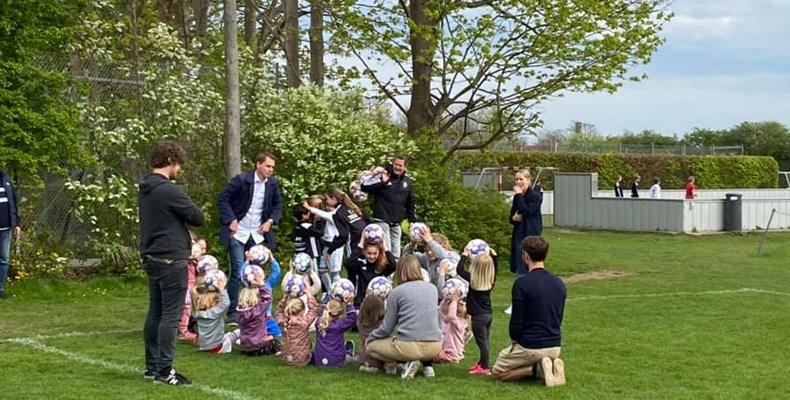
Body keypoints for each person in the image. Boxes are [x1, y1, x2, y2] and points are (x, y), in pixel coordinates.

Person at [138, 141, 204, 385]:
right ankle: (165, 370)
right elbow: (197, 217)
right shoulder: (168, 190)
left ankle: (151, 367)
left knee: (155, 311)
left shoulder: (145, 188)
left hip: (152, 255)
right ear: (169, 160)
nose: (179, 169)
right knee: (171, 315)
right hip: (171, 258)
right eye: (178, 164)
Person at [492, 236, 567, 387]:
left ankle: (536, 369)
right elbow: (558, 317)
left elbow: (517, 320)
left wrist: (515, 339)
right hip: (554, 344)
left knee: (498, 373)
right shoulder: (559, 283)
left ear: (526, 255)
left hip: (530, 345)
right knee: (530, 357)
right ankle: (549, 365)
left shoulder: (522, 284)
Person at [218, 153, 282, 324]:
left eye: (272, 167)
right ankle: (233, 312)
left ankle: (256, 309)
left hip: (258, 233)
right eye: (268, 166)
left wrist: (270, 221)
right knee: (239, 270)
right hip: (238, 232)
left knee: (257, 273)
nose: (271, 170)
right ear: (258, 164)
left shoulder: (272, 184)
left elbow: (277, 205)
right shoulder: (241, 180)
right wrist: (231, 220)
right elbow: (223, 198)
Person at [366, 255, 442, 379]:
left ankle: (401, 363)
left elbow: (387, 328)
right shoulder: (432, 289)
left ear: (400, 271)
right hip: (435, 346)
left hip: (408, 346)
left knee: (371, 347)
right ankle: (427, 366)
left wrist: (371, 336)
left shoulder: (397, 292)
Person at [361, 156, 417, 257]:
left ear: (405, 167)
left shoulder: (407, 181)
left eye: (400, 165)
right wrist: (383, 182)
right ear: (393, 164)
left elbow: (410, 202)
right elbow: (364, 186)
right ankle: (384, 267)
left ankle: (394, 267)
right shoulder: (383, 175)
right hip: (382, 219)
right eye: (396, 164)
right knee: (386, 251)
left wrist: (411, 219)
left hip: (396, 222)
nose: (397, 167)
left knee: (396, 254)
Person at [456, 249, 498, 375]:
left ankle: (485, 367)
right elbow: (495, 269)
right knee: (485, 340)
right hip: (488, 315)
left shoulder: (473, 280)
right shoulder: (491, 280)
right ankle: (482, 363)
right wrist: (494, 257)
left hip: (478, 317)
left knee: (482, 343)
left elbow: (459, 270)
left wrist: (464, 255)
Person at [506, 169, 541, 315]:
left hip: (531, 237)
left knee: (529, 269)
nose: (518, 182)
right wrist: (514, 218)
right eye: (517, 179)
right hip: (519, 236)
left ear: (528, 180)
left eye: (521, 179)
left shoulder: (535, 196)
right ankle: (518, 302)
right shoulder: (517, 197)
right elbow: (512, 217)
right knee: (520, 270)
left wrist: (519, 195)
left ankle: (529, 302)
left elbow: (526, 212)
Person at [235, 265, 280, 356]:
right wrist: (262, 284)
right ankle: (278, 351)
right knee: (273, 340)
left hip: (245, 348)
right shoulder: (258, 310)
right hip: (259, 347)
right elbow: (267, 299)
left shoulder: (239, 311)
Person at [192, 271, 240, 354]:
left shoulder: (197, 313)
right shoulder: (214, 313)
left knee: (227, 335)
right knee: (237, 332)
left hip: (204, 347)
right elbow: (226, 304)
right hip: (218, 348)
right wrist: (221, 289)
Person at [276, 281, 320, 367]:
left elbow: (279, 311)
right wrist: (309, 295)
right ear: (303, 311)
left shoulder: (282, 322)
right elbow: (314, 309)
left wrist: (284, 298)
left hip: (285, 359)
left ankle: (289, 357)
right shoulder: (304, 322)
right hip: (303, 360)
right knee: (312, 348)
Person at [346, 241, 397, 307]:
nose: (372, 256)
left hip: (377, 303)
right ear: (364, 251)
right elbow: (350, 264)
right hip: (360, 303)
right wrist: (361, 244)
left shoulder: (381, 266)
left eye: (375, 253)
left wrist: (384, 247)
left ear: (379, 252)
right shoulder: (359, 264)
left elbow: (393, 266)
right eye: (369, 253)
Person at [312, 295, 358, 367]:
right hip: (336, 361)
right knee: (349, 358)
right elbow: (353, 318)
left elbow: (320, 312)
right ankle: (349, 353)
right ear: (340, 313)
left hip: (319, 361)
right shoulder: (340, 325)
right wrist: (349, 304)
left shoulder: (319, 322)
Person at [402, 228, 451, 295]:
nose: (429, 253)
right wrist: (412, 244)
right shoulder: (426, 258)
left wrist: (430, 241)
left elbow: (445, 255)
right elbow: (406, 257)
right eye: (427, 250)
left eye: (432, 249)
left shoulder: (451, 257)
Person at [0, 168, 21, 300]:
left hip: (6, 229)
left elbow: (13, 203)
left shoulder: (6, 181)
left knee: (4, 259)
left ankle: (0, 289)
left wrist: (16, 224)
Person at [434, 290, 469, 364]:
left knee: (431, 355)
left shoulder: (461, 323)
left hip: (453, 352)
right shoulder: (449, 320)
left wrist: (454, 301)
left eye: (461, 305)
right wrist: (445, 299)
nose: (458, 305)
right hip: (446, 350)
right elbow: (442, 311)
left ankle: (453, 359)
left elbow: (452, 316)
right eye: (457, 304)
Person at [356, 294, 387, 373]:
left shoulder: (360, 323)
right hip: (379, 358)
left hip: (364, 357)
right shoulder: (382, 325)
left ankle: (367, 365)